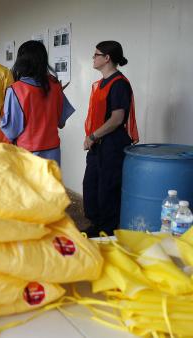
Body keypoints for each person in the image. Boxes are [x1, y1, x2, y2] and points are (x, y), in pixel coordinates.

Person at [0, 40, 75, 166]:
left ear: (21, 61)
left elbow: (11, 131)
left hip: (28, 155)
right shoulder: (54, 86)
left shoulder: (17, 89)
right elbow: (61, 123)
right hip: (53, 154)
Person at [83, 41, 139, 237]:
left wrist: (92, 135)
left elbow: (117, 119)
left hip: (112, 146)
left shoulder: (119, 84)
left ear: (107, 58)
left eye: (96, 54)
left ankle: (107, 232)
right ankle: (96, 225)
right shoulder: (101, 83)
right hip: (98, 146)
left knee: (107, 191)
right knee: (91, 187)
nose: (93, 58)